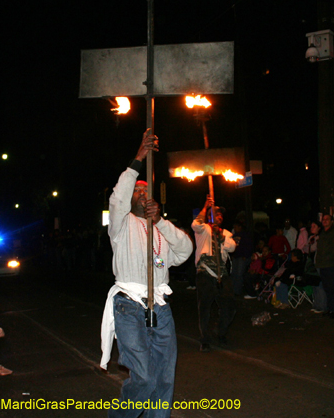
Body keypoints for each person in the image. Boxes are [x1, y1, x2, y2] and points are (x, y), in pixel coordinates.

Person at [99, 129, 193, 418]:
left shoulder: (161, 229)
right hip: (129, 304)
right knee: (144, 378)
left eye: (146, 191)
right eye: (137, 191)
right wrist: (139, 158)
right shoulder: (121, 224)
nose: (141, 194)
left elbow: (186, 250)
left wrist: (160, 222)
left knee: (164, 378)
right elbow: (117, 198)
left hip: (160, 307)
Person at [192, 196, 237, 352]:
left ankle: (221, 331)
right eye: (216, 213)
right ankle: (204, 338)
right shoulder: (203, 229)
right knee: (204, 308)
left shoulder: (225, 233)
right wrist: (205, 206)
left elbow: (232, 248)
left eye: (221, 214)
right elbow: (195, 224)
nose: (219, 216)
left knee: (229, 306)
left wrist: (221, 236)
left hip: (221, 274)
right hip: (205, 272)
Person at [313, 214, 334, 318]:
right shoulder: (323, 233)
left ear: (331, 221)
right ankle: (331, 308)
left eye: (327, 219)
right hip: (323, 265)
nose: (325, 221)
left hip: (330, 264)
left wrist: (327, 257)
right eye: (323, 219)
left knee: (333, 288)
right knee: (327, 288)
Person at [231, 221, 253, 297]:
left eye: (236, 227)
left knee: (239, 274)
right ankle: (232, 289)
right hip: (236, 256)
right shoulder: (234, 235)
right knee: (234, 273)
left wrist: (246, 255)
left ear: (240, 227)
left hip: (242, 257)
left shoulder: (245, 235)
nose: (235, 228)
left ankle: (237, 291)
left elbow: (249, 246)